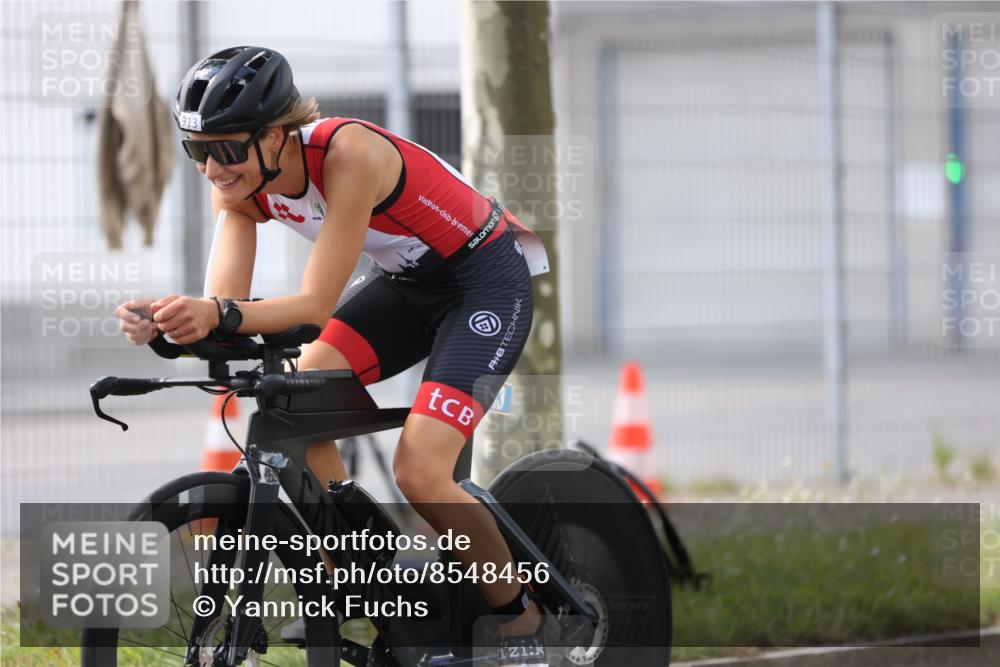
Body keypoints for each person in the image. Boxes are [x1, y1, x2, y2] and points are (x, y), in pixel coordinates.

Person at [115, 46, 550, 666]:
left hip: (484, 282)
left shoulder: (350, 155)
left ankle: (521, 620)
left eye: (227, 149)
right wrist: (170, 325)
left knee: (421, 472)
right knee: (302, 392)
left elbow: (313, 306)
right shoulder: (240, 185)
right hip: (408, 283)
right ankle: (356, 566)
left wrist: (216, 313)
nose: (212, 169)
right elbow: (227, 311)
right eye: (197, 151)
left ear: (275, 136)